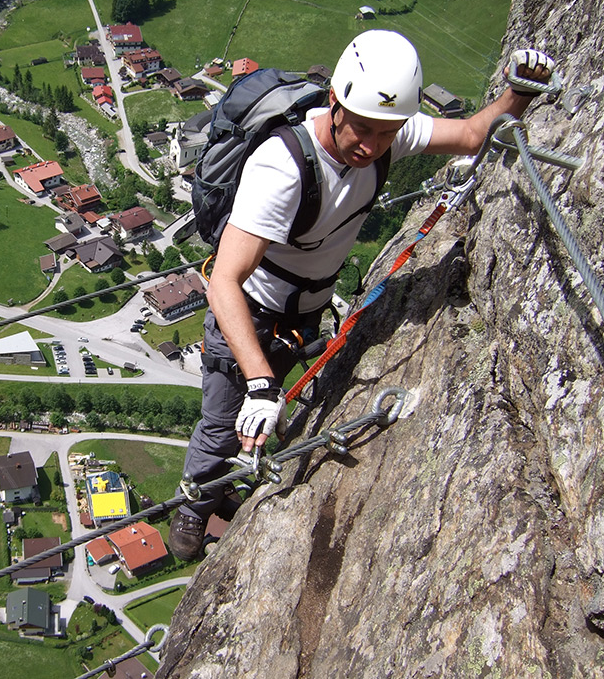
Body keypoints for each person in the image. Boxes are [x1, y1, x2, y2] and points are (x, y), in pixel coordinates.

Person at [169, 30, 555, 561]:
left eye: (387, 133)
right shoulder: (282, 169)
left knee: (264, 418)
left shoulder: (383, 127)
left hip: (302, 317)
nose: (373, 146)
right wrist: (258, 379)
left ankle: (230, 482)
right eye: (364, 131)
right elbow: (223, 282)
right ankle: (192, 507)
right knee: (223, 419)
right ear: (335, 102)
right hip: (250, 316)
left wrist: (518, 93)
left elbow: (469, 134)